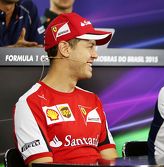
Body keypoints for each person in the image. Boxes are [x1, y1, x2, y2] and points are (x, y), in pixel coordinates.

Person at [13, 12, 117, 166]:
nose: (95, 55)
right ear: (65, 48)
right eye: (90, 46)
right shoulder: (30, 103)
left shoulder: (92, 100)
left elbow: (111, 160)